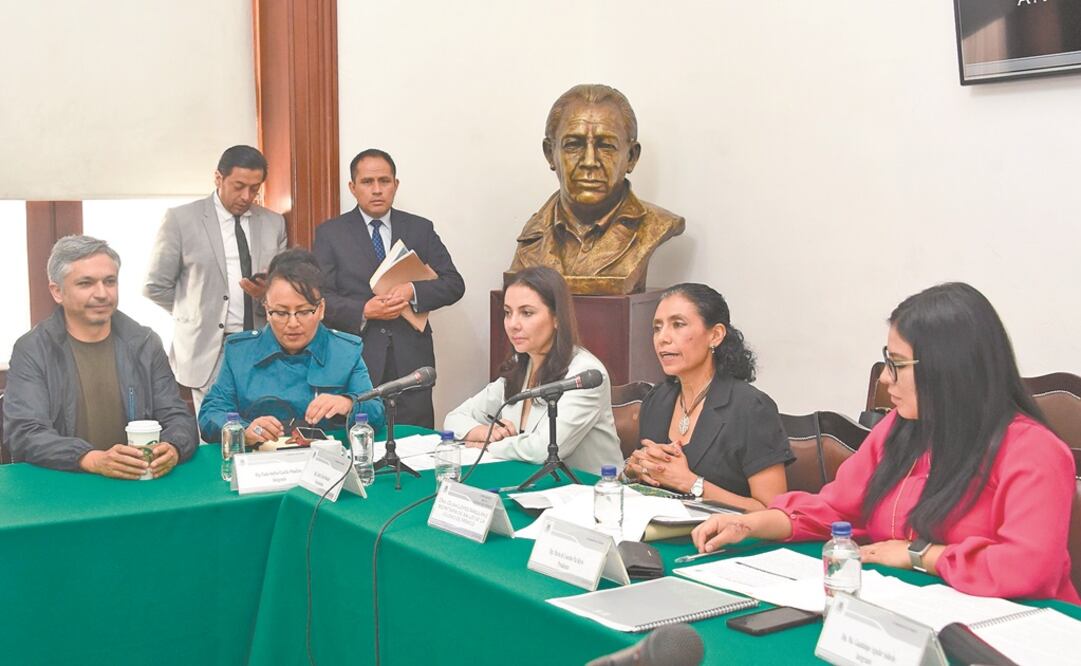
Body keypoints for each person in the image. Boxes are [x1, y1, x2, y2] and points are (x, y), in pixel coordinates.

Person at [692, 282, 1080, 603]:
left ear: (950, 368)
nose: (884, 380)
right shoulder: (899, 430)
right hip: (904, 612)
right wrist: (752, 524)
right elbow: (834, 509)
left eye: (898, 364)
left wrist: (921, 555)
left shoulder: (1033, 451)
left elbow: (1029, 567)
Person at [5, 236, 197, 478]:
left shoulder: (144, 342)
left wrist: (174, 447)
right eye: (86, 283)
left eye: (110, 281)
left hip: (139, 482)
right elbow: (25, 433)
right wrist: (90, 459)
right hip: (64, 484)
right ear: (57, 292)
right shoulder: (33, 349)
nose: (102, 294)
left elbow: (177, 417)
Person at [314, 148, 464, 429]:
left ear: (395, 185)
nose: (377, 190)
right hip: (358, 357)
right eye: (368, 182)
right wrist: (364, 310)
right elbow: (320, 299)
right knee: (361, 437)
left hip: (411, 359)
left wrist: (412, 290)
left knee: (415, 443)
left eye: (384, 181)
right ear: (352, 187)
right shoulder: (330, 233)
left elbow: (454, 284)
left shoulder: (420, 228)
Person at [144, 145, 288, 414]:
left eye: (255, 189)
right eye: (239, 186)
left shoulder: (274, 223)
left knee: (264, 431)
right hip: (209, 347)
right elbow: (155, 286)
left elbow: (284, 287)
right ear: (218, 178)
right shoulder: (181, 219)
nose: (246, 196)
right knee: (217, 431)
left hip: (261, 344)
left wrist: (263, 294)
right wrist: (195, 313)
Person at [624, 284, 793, 511]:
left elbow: (773, 512)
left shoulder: (751, 408)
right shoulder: (657, 399)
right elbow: (646, 484)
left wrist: (691, 484)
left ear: (715, 335)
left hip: (730, 541)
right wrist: (634, 470)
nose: (662, 338)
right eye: (657, 328)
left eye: (678, 325)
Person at [506, 83, 685, 295]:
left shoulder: (657, 225)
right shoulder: (532, 236)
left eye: (606, 146)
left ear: (631, 157)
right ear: (550, 153)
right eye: (574, 144)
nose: (589, 161)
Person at [198, 249, 385, 446]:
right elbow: (211, 414)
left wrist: (348, 404)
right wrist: (243, 431)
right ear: (267, 310)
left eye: (304, 312)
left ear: (320, 309)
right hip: (259, 467)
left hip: (326, 466)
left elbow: (375, 410)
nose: (293, 323)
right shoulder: (240, 352)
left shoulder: (345, 350)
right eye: (281, 312)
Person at [444, 266, 621, 473]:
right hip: (533, 485)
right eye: (508, 313)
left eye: (526, 313)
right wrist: (482, 432)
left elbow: (543, 450)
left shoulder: (586, 374)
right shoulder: (521, 365)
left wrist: (490, 446)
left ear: (557, 318)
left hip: (594, 493)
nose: (513, 324)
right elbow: (453, 418)